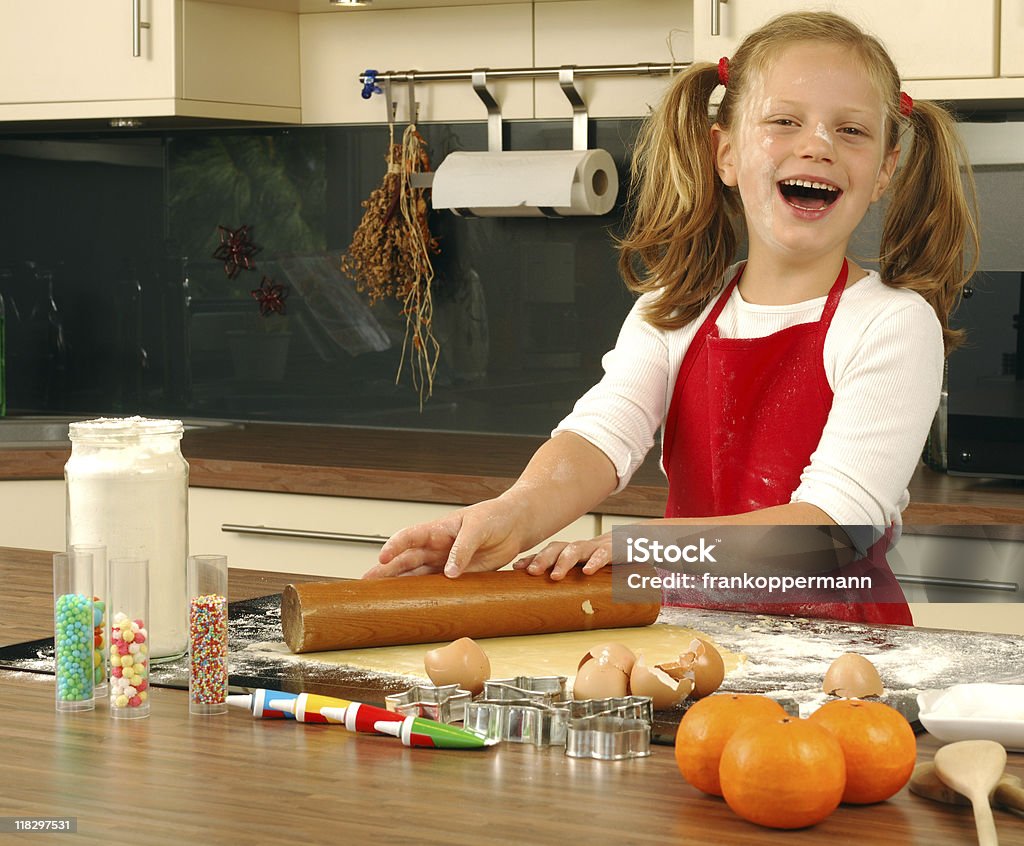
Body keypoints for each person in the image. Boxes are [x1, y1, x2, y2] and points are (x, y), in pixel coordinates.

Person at [363, 11, 979, 626]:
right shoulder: (679, 307)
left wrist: (651, 556)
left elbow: (833, 533)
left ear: (884, 172)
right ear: (727, 153)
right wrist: (509, 516)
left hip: (840, 656)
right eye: (784, 121)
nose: (817, 144)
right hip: (694, 641)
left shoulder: (892, 323)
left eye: (851, 131)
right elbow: (603, 434)